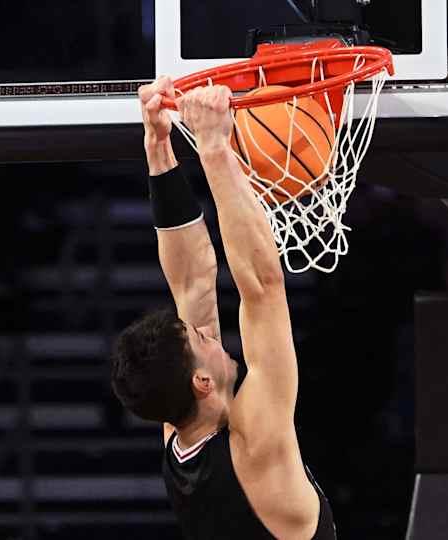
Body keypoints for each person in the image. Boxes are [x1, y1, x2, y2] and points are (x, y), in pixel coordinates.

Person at [110, 76, 336, 540]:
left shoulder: (180, 431)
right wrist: (214, 149)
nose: (209, 333)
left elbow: (192, 281)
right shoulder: (255, 445)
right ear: (201, 382)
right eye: (201, 340)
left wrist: (159, 148)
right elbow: (264, 287)